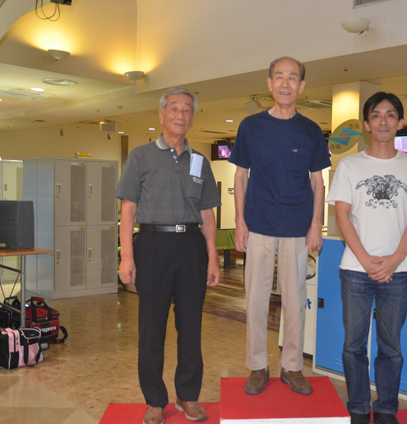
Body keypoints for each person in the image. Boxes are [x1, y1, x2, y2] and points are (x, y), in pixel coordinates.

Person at [326, 92, 407, 424]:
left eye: (390, 115)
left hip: (398, 271)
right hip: (355, 270)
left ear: (400, 122)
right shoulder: (349, 165)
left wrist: (393, 260)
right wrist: (366, 260)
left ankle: (387, 408)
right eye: (376, 115)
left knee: (391, 347)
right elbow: (342, 216)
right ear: (366, 124)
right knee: (353, 345)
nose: (383, 121)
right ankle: (359, 407)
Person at [115, 87, 221, 424]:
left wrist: (213, 258)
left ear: (192, 118)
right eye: (174, 108)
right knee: (152, 328)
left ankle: (188, 395)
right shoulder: (140, 157)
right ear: (161, 115)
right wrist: (127, 257)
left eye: (187, 109)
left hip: (191, 247)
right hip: (152, 244)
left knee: (190, 327)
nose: (180, 114)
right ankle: (155, 400)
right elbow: (128, 209)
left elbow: (207, 214)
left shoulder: (200, 161)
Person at [229, 56, 331, 395]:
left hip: (297, 228)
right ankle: (258, 366)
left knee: (295, 300)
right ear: (269, 83)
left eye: (292, 77)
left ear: (302, 86)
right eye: (279, 77)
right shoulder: (250, 126)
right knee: (256, 299)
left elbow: (318, 182)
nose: (285, 83)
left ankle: (292, 367)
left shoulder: (310, 130)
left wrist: (316, 224)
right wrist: (240, 221)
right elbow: (240, 176)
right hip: (258, 224)